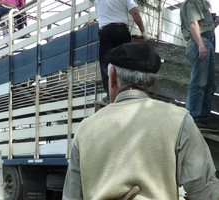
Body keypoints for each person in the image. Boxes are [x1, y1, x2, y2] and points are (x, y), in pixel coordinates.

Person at [62, 42, 219, 200]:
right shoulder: (179, 120)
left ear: (113, 78)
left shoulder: (85, 129)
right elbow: (205, 191)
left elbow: (71, 196)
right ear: (151, 82)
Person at [94, 0, 149, 103]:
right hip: (122, 31)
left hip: (106, 32)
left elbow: (101, 16)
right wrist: (143, 31)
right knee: (125, 62)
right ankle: (127, 91)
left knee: (106, 64)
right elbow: (135, 13)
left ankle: (110, 95)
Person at [180, 0, 219, 130]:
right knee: (199, 83)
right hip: (200, 43)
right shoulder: (193, 2)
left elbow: (202, 25)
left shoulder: (201, 3)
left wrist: (214, 24)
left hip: (206, 42)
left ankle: (202, 119)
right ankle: (192, 119)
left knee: (209, 84)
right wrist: (201, 44)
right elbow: (193, 23)